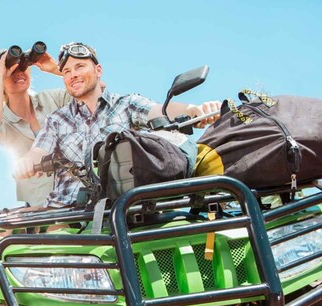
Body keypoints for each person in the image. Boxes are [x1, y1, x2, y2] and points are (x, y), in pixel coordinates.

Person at [14, 42, 221, 208]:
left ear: (98, 70)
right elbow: (39, 150)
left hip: (122, 207)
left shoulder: (126, 104)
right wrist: (27, 162)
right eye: (66, 71)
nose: (72, 75)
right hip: (68, 212)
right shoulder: (57, 119)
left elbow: (161, 111)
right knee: (56, 252)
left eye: (79, 66)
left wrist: (195, 110)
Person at [0, 47, 71, 206]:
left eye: (22, 66)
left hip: (77, 194)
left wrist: (59, 69)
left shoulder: (53, 99)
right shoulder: (3, 120)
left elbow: (95, 92)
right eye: (11, 70)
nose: (18, 72)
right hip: (41, 206)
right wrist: (0, 73)